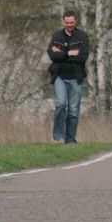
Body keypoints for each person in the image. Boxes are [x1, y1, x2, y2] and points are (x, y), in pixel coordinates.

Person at [47, 10, 90, 144]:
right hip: (60, 76)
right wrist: (70, 53)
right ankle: (58, 136)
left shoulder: (82, 36)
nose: (69, 25)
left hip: (76, 78)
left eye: (72, 22)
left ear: (75, 21)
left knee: (74, 110)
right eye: (67, 22)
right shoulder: (57, 36)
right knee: (60, 103)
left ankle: (70, 139)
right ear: (63, 22)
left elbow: (83, 56)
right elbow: (52, 55)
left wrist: (62, 54)